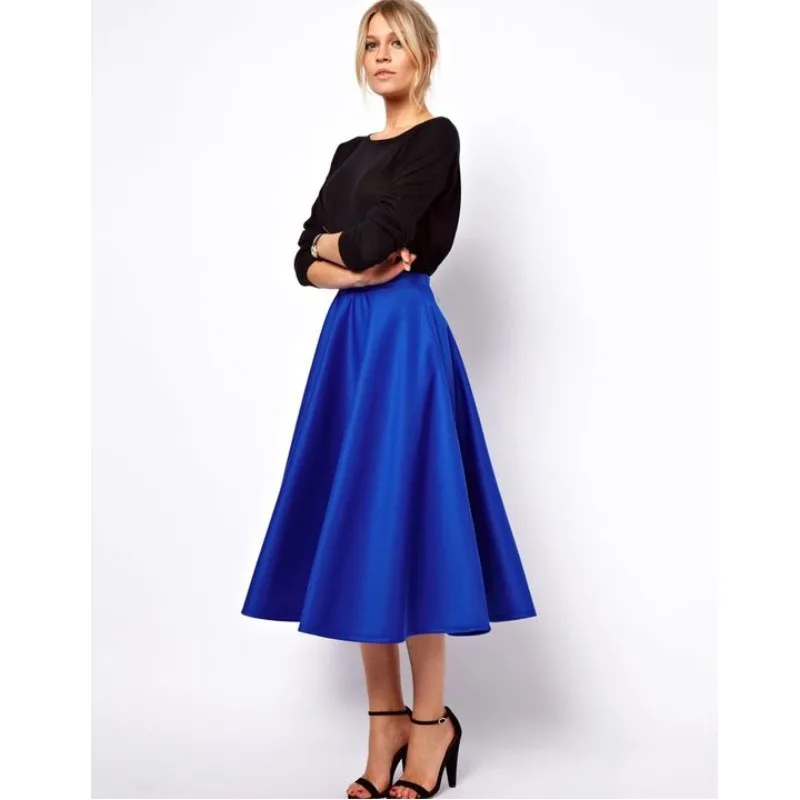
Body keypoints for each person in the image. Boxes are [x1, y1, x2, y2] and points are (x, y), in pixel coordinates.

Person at [241, 2, 537, 797]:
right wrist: (343, 259)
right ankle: (386, 722)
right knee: (357, 520)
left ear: (424, 55)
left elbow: (367, 242)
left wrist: (338, 251)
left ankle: (431, 724)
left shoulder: (436, 139)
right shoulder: (349, 153)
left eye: (395, 42)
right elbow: (302, 259)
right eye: (369, 43)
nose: (380, 55)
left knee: (413, 517)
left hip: (404, 339)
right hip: (351, 340)